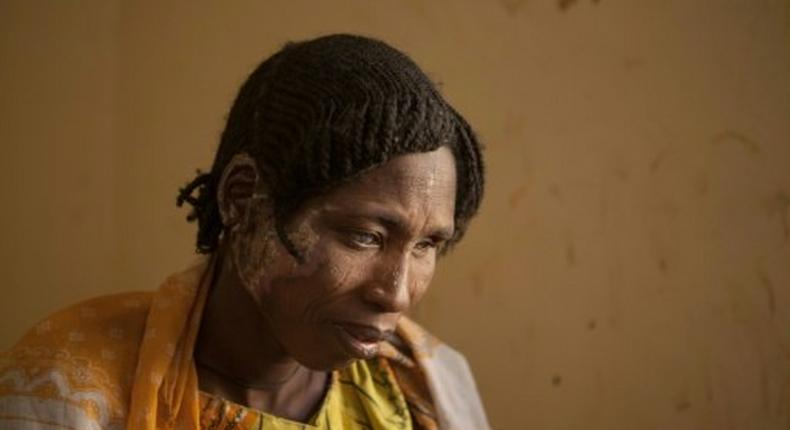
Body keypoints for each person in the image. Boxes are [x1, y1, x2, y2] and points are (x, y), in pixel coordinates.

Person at [0, 34, 489, 430]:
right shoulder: (64, 388)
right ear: (241, 198)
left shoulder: (428, 388)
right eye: (364, 236)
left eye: (427, 245)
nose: (397, 294)